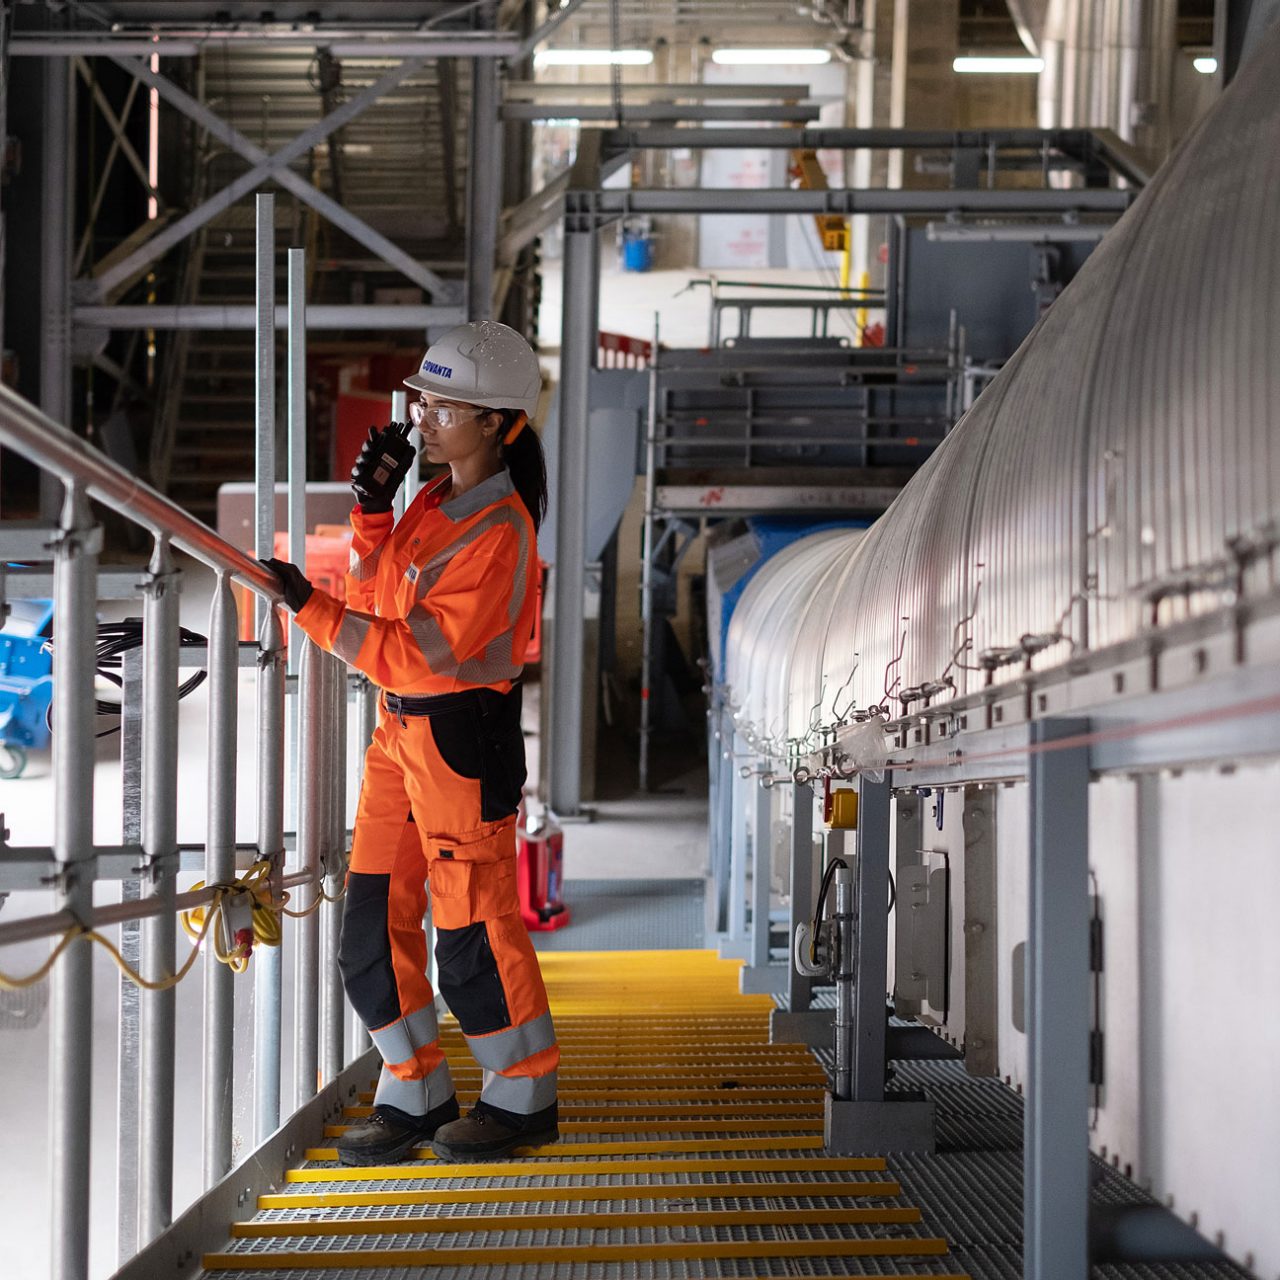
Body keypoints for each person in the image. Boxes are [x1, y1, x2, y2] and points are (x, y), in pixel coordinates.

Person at [262, 320, 558, 1166]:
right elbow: (378, 588)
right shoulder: (433, 501)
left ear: (500, 424)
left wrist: (310, 612)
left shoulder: (500, 532)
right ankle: (416, 1087)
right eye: (425, 401)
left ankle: (524, 1091)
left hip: (458, 741)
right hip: (401, 736)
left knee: (470, 934)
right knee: (368, 928)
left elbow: (415, 652)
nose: (424, 420)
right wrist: (368, 513)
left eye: (446, 408)